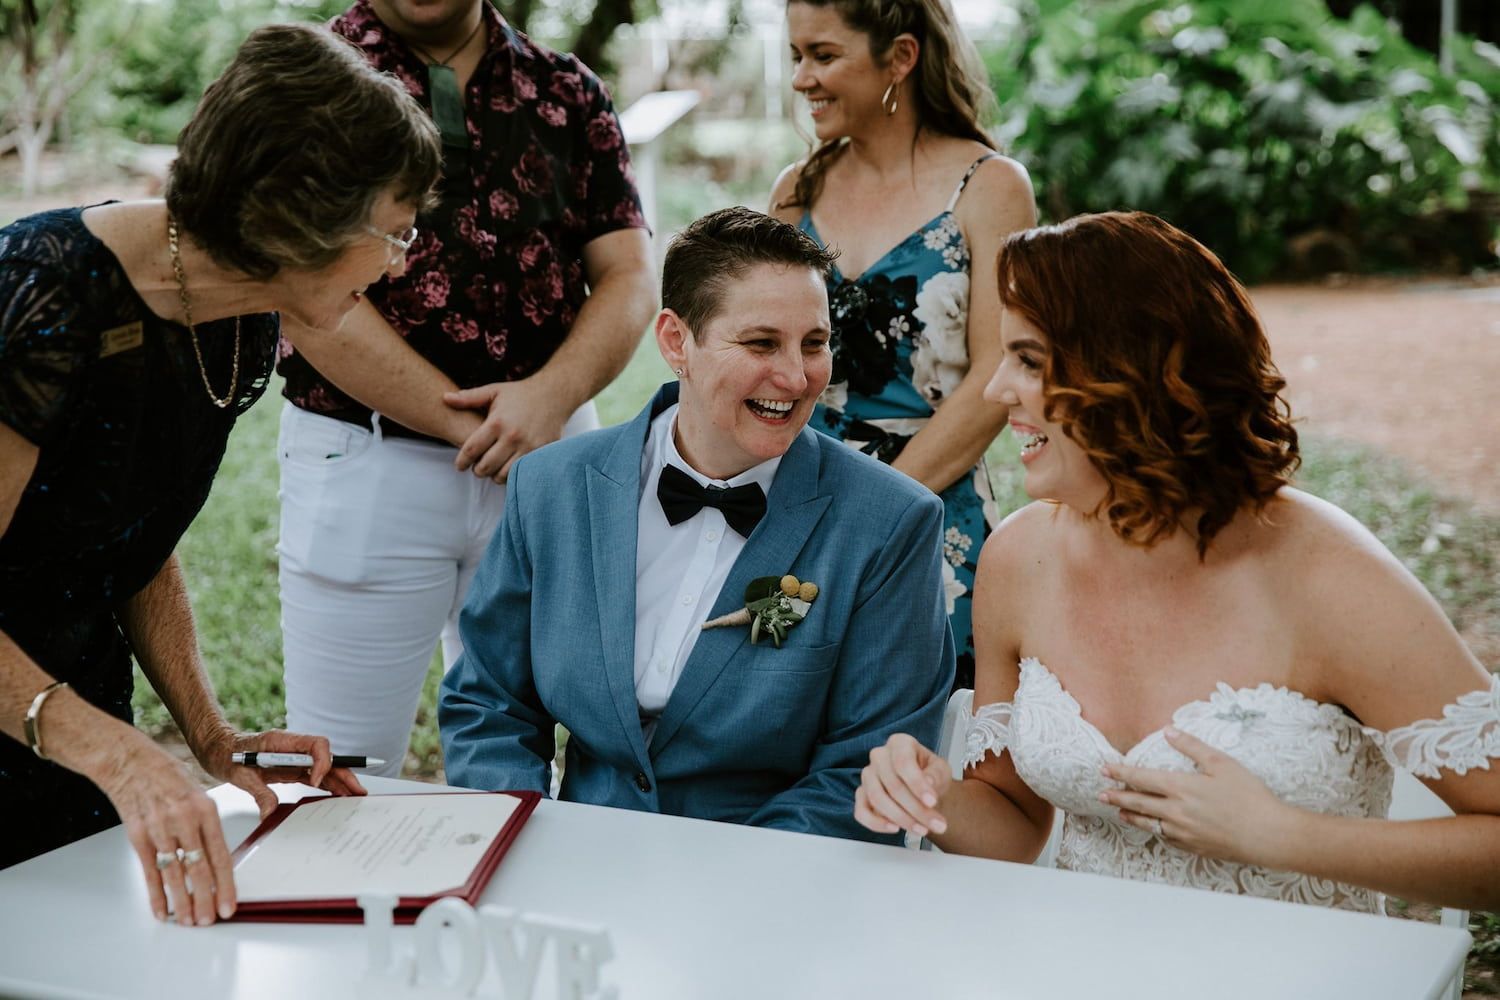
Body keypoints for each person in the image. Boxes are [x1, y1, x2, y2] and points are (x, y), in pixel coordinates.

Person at [855, 211, 1500, 912]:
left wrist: (1282, 836)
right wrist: (932, 790)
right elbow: (1010, 824)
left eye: (1031, 361)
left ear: (1130, 372)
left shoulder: (1327, 575)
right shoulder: (1019, 559)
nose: (995, 390)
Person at [0, 23, 444, 925]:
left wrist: (209, 734)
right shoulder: (37, 299)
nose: (403, 263)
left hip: (78, 723)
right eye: (394, 234)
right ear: (301, 219)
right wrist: (122, 755)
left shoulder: (242, 322)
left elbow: (132, 538)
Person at [440, 207, 953, 842]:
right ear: (676, 341)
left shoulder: (891, 525)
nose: (796, 377)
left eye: (814, 343)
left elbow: (865, 762)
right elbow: (488, 702)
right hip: (573, 861)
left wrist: (721, 887)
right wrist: (525, 840)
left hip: (772, 880)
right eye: (762, 343)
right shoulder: (551, 487)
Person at [275, 0, 656, 779]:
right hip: (367, 460)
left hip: (550, 461)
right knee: (342, 770)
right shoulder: (309, 79)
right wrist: (476, 427)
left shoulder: (568, 88)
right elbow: (303, 292)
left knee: (536, 759)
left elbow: (629, 275)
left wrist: (547, 400)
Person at [769, 0, 1036, 690]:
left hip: (930, 508)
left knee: (920, 756)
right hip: (801, 505)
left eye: (823, 56)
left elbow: (995, 371)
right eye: (796, 56)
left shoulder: (989, 188)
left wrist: (876, 509)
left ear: (901, 58)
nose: (802, 79)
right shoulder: (796, 194)